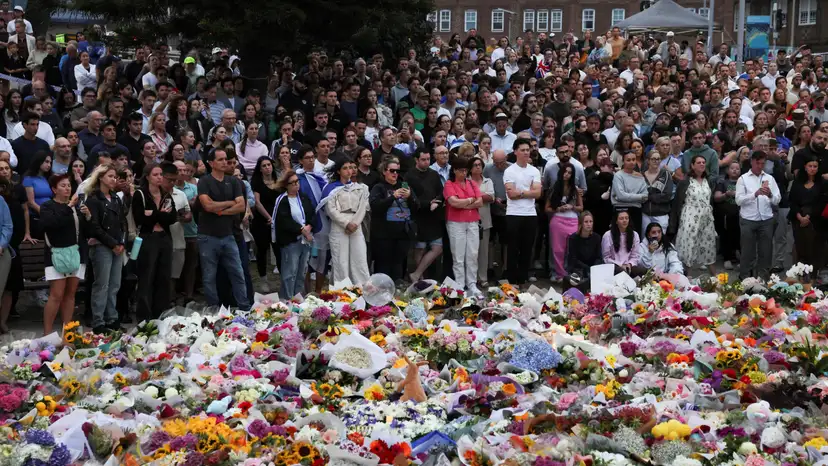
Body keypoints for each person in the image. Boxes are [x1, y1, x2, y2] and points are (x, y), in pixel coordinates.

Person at [197, 148, 250, 309]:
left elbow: (241, 206)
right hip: (208, 236)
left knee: (238, 273)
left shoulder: (233, 181)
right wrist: (229, 203)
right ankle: (213, 309)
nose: (224, 162)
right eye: (220, 159)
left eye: (225, 159)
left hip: (228, 235)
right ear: (211, 163)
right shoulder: (204, 181)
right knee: (209, 276)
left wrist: (219, 210)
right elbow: (207, 205)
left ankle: (244, 307)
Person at [83, 164, 126, 334]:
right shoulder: (94, 199)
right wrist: (113, 244)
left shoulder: (115, 198)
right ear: (101, 177)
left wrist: (121, 243)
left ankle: (112, 318)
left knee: (114, 284)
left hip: (117, 245)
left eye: (115, 177)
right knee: (101, 284)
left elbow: (122, 222)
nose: (114, 179)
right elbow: (95, 227)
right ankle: (98, 321)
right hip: (102, 246)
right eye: (110, 176)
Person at [40, 174, 86, 335]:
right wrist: (68, 208)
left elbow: (86, 230)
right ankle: (47, 334)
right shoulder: (47, 206)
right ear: (54, 189)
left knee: (70, 294)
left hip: (76, 253)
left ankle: (68, 334)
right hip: (56, 254)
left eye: (68, 185)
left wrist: (87, 215)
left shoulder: (77, 207)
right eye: (63, 185)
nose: (67, 188)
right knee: (56, 295)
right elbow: (51, 224)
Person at [132, 163, 177, 321]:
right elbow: (141, 218)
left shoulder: (166, 193)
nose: (159, 177)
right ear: (147, 177)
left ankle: (161, 314)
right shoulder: (140, 194)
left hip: (164, 237)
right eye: (156, 174)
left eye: (160, 174)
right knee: (147, 277)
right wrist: (159, 214)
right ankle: (145, 317)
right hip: (148, 238)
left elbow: (172, 217)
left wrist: (154, 214)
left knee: (164, 277)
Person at [320, 157, 371, 285]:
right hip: (339, 226)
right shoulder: (331, 188)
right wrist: (346, 223)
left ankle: (362, 288)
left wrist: (354, 223)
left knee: (359, 258)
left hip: (356, 224)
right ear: (338, 171)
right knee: (340, 260)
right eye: (345, 168)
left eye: (350, 168)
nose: (349, 171)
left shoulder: (360, 188)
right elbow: (330, 209)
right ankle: (343, 291)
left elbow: (362, 207)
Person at [736, 151, 781, 280]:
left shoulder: (769, 178)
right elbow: (738, 200)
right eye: (758, 163)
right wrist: (754, 194)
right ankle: (745, 279)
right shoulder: (743, 179)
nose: (760, 166)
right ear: (752, 162)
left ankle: (763, 279)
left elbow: (777, 199)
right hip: (748, 219)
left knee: (766, 252)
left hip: (766, 219)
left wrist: (770, 195)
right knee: (747, 251)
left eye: (763, 163)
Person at [370, 158, 416, 282]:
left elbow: (417, 207)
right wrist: (393, 197)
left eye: (397, 171)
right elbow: (375, 206)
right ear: (384, 171)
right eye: (392, 171)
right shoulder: (378, 187)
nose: (395, 173)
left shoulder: (404, 185)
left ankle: (398, 293)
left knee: (398, 265)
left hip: (402, 233)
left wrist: (410, 197)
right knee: (383, 265)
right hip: (383, 234)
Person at [272, 170, 317, 297]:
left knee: (302, 272)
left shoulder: (303, 197)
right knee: (290, 273)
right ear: (286, 185)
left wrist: (309, 226)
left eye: (297, 181)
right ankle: (287, 299)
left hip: (305, 240)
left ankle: (297, 298)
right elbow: (284, 221)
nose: (296, 185)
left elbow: (312, 213)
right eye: (292, 183)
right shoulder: (283, 200)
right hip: (291, 241)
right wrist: (302, 229)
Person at [670, 154, 716, 275]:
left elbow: (710, 200)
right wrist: (675, 222)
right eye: (699, 162)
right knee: (689, 243)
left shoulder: (708, 181)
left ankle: (714, 274)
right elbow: (677, 202)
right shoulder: (686, 181)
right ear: (692, 165)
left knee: (708, 244)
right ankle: (688, 275)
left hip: (706, 217)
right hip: (690, 216)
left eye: (703, 162)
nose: (702, 164)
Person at [503, 138, 541, 286]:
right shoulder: (509, 170)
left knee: (527, 248)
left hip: (530, 214)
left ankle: (523, 279)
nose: (526, 152)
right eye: (523, 150)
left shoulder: (534, 171)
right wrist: (529, 191)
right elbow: (511, 194)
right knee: (513, 248)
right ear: (515, 151)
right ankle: (512, 280)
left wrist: (522, 193)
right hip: (513, 214)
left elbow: (537, 193)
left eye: (528, 149)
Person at [444, 157, 483, 296]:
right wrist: (470, 200)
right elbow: (454, 202)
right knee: (458, 255)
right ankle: (460, 284)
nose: (464, 173)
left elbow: (480, 202)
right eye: (461, 170)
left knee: (472, 254)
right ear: (454, 170)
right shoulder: (449, 184)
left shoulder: (472, 183)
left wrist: (464, 203)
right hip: (456, 222)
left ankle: (471, 283)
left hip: (472, 221)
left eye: (466, 170)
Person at [406, 148, 445, 281]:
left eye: (428, 159)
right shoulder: (409, 175)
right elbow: (410, 197)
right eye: (423, 159)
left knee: (437, 247)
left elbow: (441, 192)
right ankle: (420, 279)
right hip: (418, 216)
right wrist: (428, 203)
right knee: (420, 248)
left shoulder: (433, 174)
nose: (426, 162)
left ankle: (417, 274)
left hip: (434, 216)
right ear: (416, 160)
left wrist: (436, 202)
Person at [545, 162, 583, 281]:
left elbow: (581, 207)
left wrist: (572, 207)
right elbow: (547, 208)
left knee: (570, 248)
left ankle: (569, 273)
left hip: (572, 220)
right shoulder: (554, 188)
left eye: (570, 173)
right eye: (565, 172)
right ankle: (557, 273)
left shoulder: (575, 189)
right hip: (558, 219)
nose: (567, 175)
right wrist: (558, 208)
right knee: (557, 249)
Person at [788, 155, 823, 273]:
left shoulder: (822, 183)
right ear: (805, 167)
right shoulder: (797, 182)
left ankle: (813, 274)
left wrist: (808, 217)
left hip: (815, 219)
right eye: (810, 166)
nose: (812, 168)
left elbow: (821, 202)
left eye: (815, 166)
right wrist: (799, 216)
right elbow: (792, 200)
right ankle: (799, 272)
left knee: (813, 247)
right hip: (798, 217)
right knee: (799, 246)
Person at [250, 156, 280, 284]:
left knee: (279, 250)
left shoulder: (278, 180)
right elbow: (257, 202)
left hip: (278, 220)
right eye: (264, 166)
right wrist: (269, 217)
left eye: (269, 165)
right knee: (262, 250)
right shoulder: (257, 182)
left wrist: (276, 218)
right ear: (260, 169)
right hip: (262, 221)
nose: (267, 167)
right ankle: (263, 278)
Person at [714, 161, 743, 270]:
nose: (735, 170)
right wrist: (726, 194)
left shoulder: (743, 182)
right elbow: (716, 197)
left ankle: (741, 258)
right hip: (727, 215)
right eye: (732, 168)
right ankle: (727, 258)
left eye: (737, 168)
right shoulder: (722, 182)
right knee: (726, 237)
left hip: (741, 214)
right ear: (727, 170)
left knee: (741, 237)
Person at [470, 156, 494, 285]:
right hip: (469, 219)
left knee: (484, 251)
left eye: (479, 164)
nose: (478, 167)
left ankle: (483, 277)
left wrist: (475, 195)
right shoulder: (466, 181)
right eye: (475, 165)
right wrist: (481, 196)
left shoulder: (488, 181)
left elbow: (491, 197)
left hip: (484, 220)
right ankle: (472, 278)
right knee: (471, 251)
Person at [564, 211, 603, 289]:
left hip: (592, 268)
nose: (589, 224)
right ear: (581, 223)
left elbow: (599, 256)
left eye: (590, 221)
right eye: (586, 222)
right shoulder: (573, 238)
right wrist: (586, 268)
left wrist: (593, 268)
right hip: (577, 267)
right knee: (578, 280)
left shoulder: (597, 237)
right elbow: (573, 258)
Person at [601, 210, 646, 277]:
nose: (624, 220)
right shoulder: (608, 235)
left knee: (645, 271)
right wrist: (620, 265)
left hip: (629, 266)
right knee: (621, 272)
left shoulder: (634, 234)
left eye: (626, 218)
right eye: (621, 218)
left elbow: (635, 255)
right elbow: (606, 258)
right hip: (614, 265)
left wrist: (629, 264)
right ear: (616, 221)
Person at [611, 152, 648, 233]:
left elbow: (645, 196)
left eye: (633, 159)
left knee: (635, 236)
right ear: (623, 161)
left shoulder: (640, 177)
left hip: (636, 211)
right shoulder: (618, 176)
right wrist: (639, 197)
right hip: (620, 209)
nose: (631, 162)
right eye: (628, 160)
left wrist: (625, 196)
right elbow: (621, 196)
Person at [641, 151, 674, 235]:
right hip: (645, 214)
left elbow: (667, 196)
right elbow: (639, 195)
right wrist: (656, 196)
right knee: (645, 240)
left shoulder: (666, 175)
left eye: (658, 159)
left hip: (661, 215)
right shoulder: (641, 176)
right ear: (648, 161)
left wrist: (649, 197)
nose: (656, 161)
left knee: (660, 241)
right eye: (653, 159)